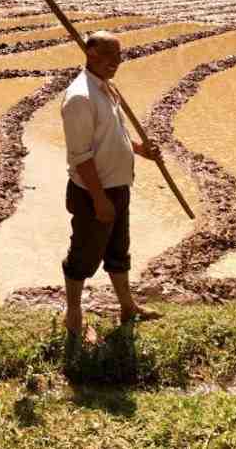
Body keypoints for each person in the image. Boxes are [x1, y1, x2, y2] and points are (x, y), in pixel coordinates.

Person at [60, 30, 163, 343]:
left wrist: (140, 150)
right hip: (95, 192)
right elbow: (81, 157)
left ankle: (128, 306)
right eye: (109, 56)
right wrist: (100, 199)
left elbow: (111, 136)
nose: (116, 62)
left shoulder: (106, 88)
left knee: (118, 250)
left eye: (119, 57)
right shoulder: (80, 97)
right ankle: (73, 317)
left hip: (118, 187)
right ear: (90, 54)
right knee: (83, 255)